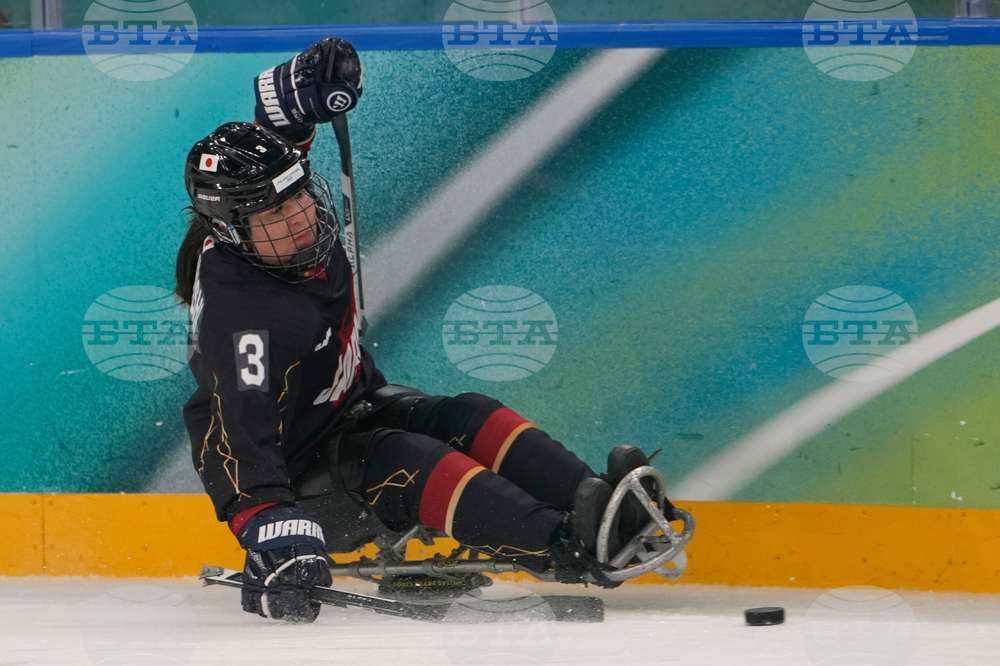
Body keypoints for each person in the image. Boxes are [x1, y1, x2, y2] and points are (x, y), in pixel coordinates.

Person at [176, 38, 669, 623]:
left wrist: (290, 103)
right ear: (231, 230)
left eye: (300, 196)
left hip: (346, 409)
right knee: (409, 456)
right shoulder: (244, 321)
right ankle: (561, 544)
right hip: (301, 475)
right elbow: (239, 437)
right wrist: (268, 527)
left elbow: (276, 150)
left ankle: (610, 509)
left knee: (468, 413)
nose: (301, 217)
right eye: (276, 215)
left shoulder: (264, 224)